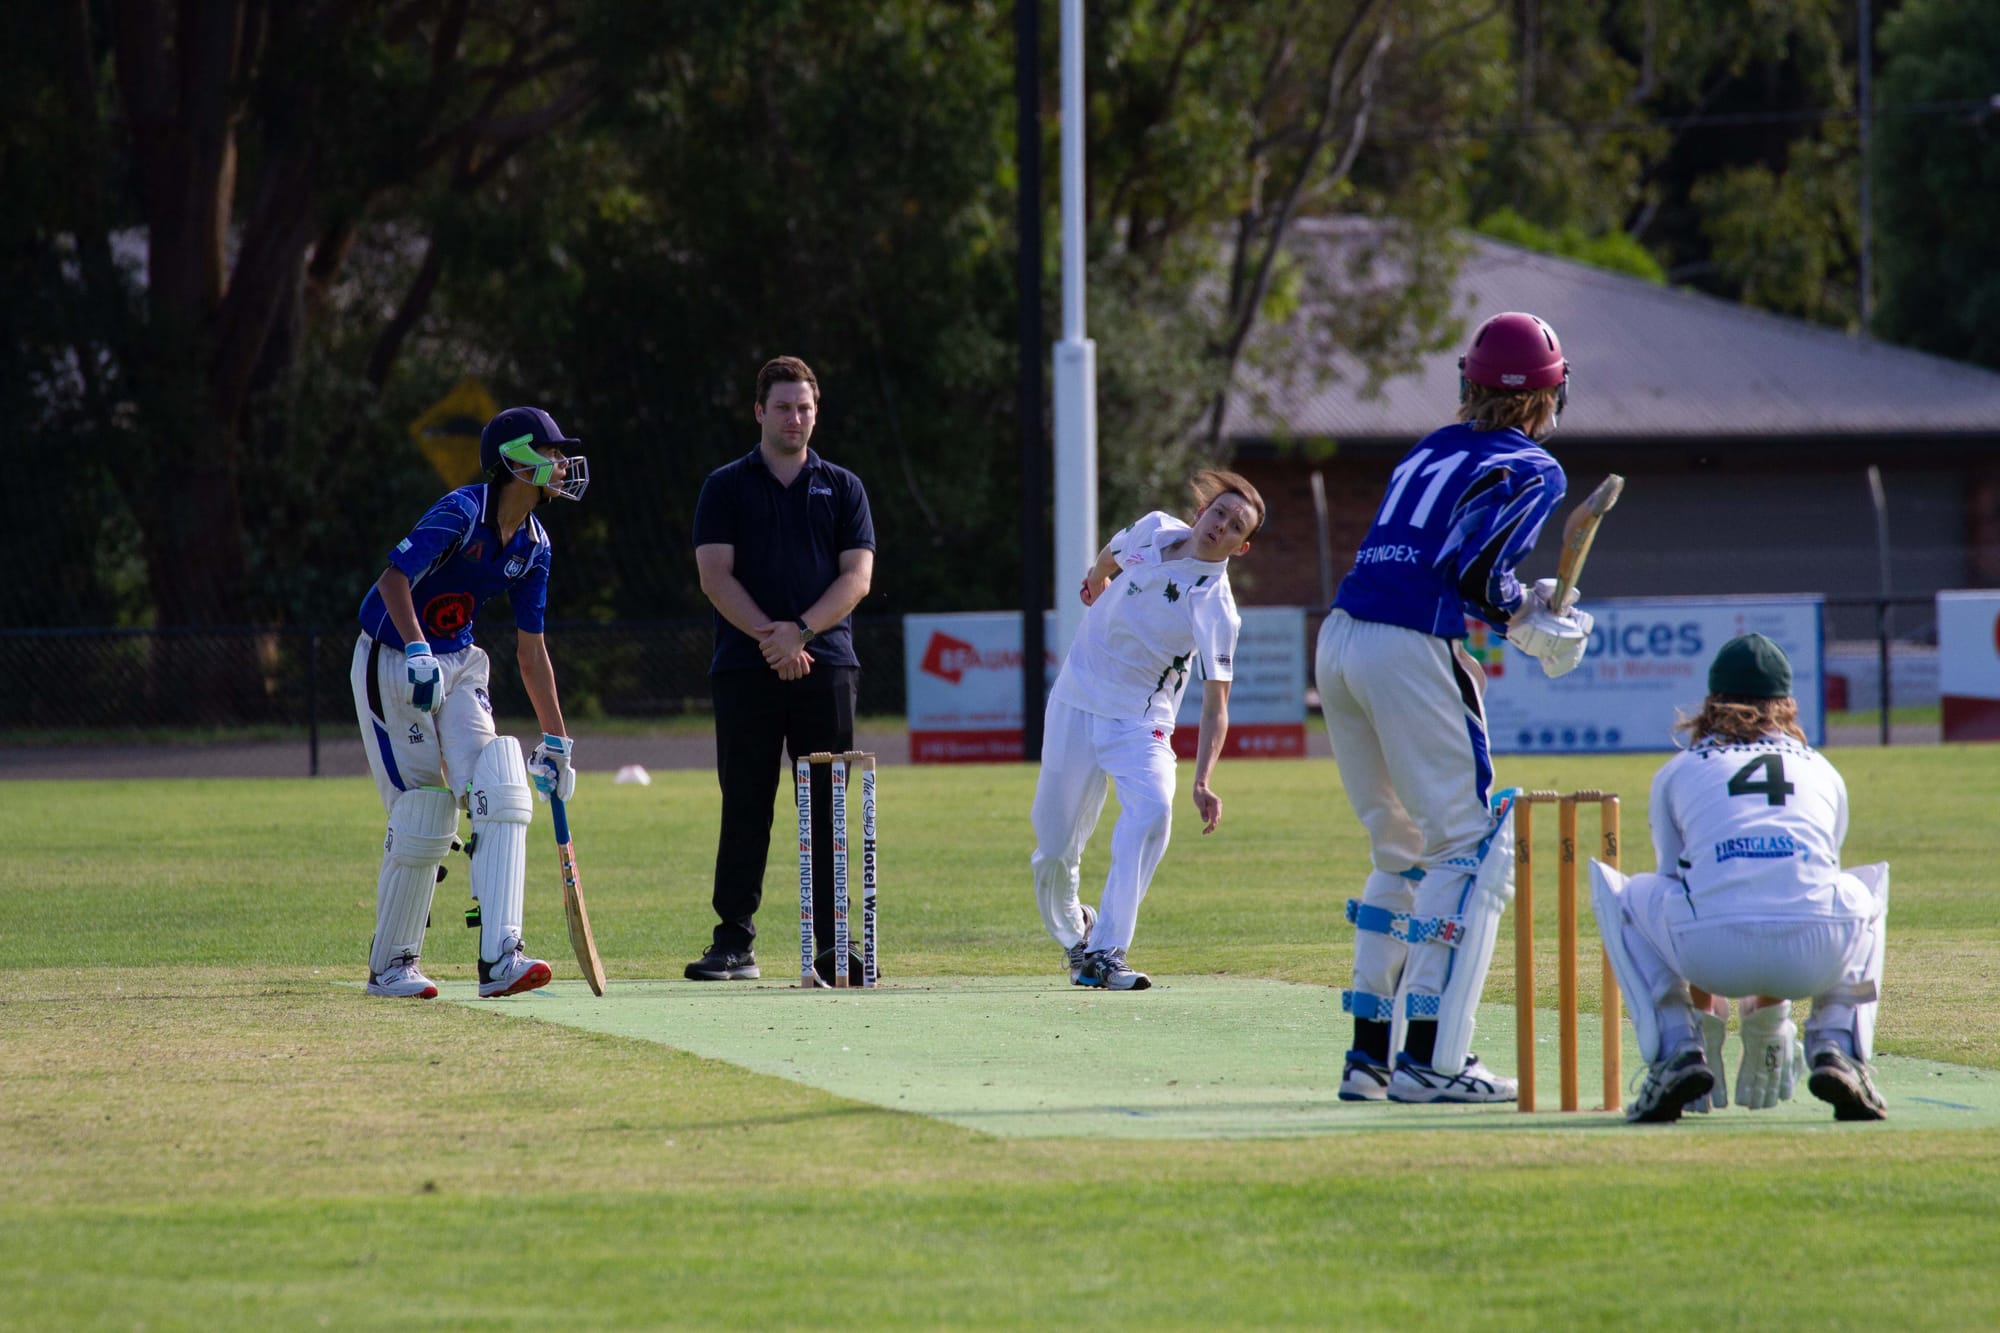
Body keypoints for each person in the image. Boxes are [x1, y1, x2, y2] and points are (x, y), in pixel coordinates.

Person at [1318, 311, 1594, 1104]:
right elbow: (1473, 570)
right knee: (1470, 848)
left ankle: (1370, 1056)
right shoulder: (1533, 464)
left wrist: (1522, 598)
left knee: (1397, 850)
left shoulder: (1430, 445)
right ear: (1551, 394)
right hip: (1406, 644)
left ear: (1469, 383)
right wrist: (1530, 624)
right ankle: (1434, 1059)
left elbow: (1455, 562)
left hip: (1341, 637)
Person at [1594, 633, 1890, 1123]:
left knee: (1627, 894)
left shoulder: (1679, 770)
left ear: (1712, 702)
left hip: (1708, 953)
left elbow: (1682, 883)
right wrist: (1769, 1017)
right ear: (1787, 705)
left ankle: (1677, 1048)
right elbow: (1800, 881)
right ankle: (1839, 1047)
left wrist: (1705, 1019)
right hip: (1816, 957)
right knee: (1866, 888)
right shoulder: (1823, 769)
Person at [353, 406, 589, 1000]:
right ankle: (392, 966)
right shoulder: (462, 510)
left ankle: (501, 958)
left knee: (500, 779)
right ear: (516, 460)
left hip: (459, 662)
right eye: (551, 452)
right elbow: (393, 579)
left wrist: (558, 742)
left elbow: (531, 654)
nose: (561, 463)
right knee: (427, 810)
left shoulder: (535, 546)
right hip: (392, 658)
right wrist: (415, 649)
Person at [1030, 470, 1265, 991]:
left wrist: (1204, 780)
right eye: (1219, 513)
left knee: (1155, 809)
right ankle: (1078, 933)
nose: (1220, 527)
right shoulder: (1155, 529)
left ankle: (1108, 951)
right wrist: (1095, 580)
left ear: (1241, 547)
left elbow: (1215, 706)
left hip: (1140, 721)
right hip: (1075, 696)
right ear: (1203, 510)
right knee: (1051, 849)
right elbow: (1112, 554)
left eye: (1234, 528)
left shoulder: (1215, 604)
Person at [685, 356, 876, 984]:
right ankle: (734, 941)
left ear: (815, 413)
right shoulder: (726, 486)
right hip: (745, 665)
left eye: (805, 407)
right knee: (746, 802)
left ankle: (830, 945)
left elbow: (858, 577)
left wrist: (801, 632)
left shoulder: (844, 486)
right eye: (784, 406)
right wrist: (773, 637)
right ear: (759, 412)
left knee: (825, 806)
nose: (795, 418)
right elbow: (715, 577)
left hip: (826, 666)